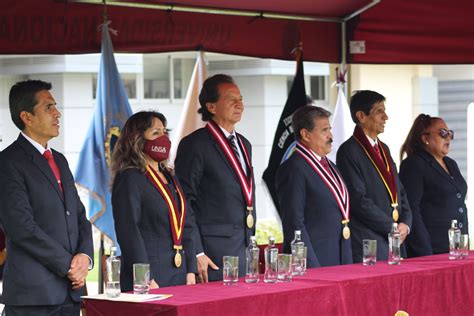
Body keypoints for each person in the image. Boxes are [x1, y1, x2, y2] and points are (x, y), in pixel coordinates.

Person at [0, 80, 93, 316]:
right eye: (48, 107)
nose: (57, 113)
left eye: (56, 106)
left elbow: (79, 214)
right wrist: (68, 266)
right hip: (33, 297)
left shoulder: (59, 159)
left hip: (71, 293)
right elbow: (21, 227)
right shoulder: (8, 162)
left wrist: (84, 257)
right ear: (27, 117)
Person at [175, 74, 256, 282]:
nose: (240, 105)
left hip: (243, 246)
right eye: (231, 100)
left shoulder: (244, 144)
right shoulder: (195, 144)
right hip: (212, 252)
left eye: (241, 99)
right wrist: (197, 252)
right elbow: (184, 202)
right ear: (211, 107)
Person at [111, 111, 196, 290]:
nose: (163, 138)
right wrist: (144, 276)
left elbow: (185, 224)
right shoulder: (130, 177)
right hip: (150, 277)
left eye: (165, 132)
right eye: (155, 133)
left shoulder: (171, 176)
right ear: (137, 139)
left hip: (180, 273)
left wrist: (190, 270)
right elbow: (129, 231)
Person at [336, 90, 412, 262]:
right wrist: (391, 227)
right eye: (379, 111)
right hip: (370, 240)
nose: (386, 117)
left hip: (396, 237)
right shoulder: (349, 151)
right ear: (361, 116)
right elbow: (358, 200)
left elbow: (400, 192)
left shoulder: (384, 148)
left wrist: (406, 224)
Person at [276, 106, 352, 267]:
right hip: (315, 262)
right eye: (324, 130)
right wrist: (310, 265)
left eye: (330, 129)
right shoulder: (293, 169)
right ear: (305, 134)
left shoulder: (330, 165)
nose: (330, 136)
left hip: (341, 258)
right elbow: (294, 223)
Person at [399, 114, 468, 257]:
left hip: (456, 247)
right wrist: (424, 251)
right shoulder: (414, 164)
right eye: (443, 133)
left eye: (450, 133)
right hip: (431, 248)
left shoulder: (451, 163)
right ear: (425, 139)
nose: (448, 137)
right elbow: (412, 209)